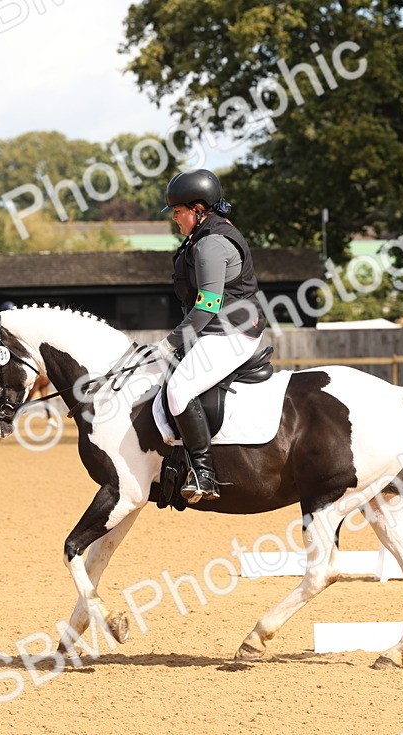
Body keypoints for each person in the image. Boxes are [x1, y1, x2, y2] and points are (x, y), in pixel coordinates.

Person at [157, 169, 266, 503]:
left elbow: (206, 306)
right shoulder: (202, 236)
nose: (174, 218)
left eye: (178, 211)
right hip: (217, 329)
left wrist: (170, 343)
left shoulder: (212, 244)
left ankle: (204, 474)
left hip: (232, 333)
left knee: (178, 390)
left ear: (198, 209)